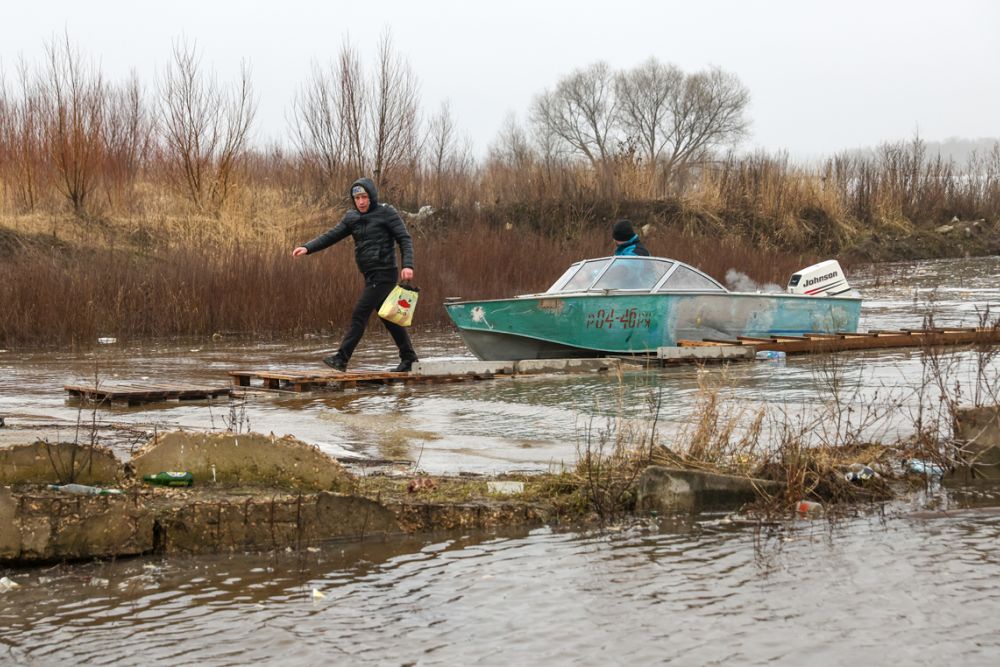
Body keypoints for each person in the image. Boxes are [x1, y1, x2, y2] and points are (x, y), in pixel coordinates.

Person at [292, 177, 418, 373]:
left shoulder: (386, 213)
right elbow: (331, 235)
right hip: (369, 275)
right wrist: (307, 248)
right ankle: (409, 358)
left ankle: (342, 358)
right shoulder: (352, 218)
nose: (361, 201)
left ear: (372, 197)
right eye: (357, 197)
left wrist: (408, 265)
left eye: (364, 197)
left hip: (384, 273)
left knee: (360, 313)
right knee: (389, 318)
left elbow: (404, 239)